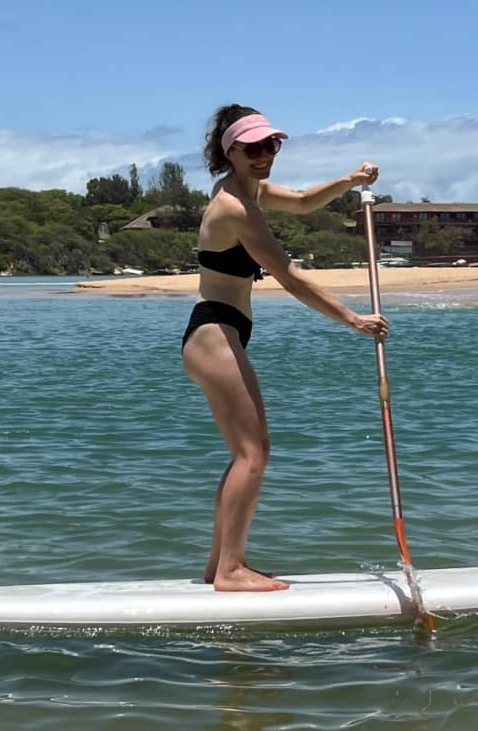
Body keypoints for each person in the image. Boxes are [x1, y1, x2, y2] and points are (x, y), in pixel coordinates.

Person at [182, 103, 389, 593]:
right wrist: (353, 319)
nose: (264, 155)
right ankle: (231, 570)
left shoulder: (247, 191)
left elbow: (300, 201)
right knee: (253, 455)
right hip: (214, 333)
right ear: (229, 151)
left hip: (223, 332)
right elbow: (289, 276)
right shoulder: (234, 207)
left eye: (271, 145)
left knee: (246, 453)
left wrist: (349, 181)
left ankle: (219, 565)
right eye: (252, 148)